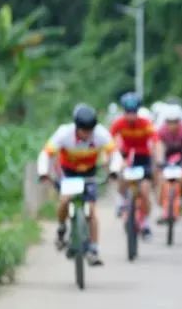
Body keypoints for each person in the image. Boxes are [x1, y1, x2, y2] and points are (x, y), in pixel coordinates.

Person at [37, 104, 122, 266]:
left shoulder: (101, 134)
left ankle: (94, 249)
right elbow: (45, 154)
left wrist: (114, 170)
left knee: (92, 211)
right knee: (64, 200)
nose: (87, 134)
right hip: (67, 173)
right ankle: (62, 228)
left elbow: (115, 154)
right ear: (76, 127)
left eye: (90, 130)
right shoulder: (64, 133)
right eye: (84, 130)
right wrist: (43, 172)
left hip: (89, 173)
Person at [110, 91, 156, 238]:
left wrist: (157, 156)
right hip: (125, 157)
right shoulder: (118, 124)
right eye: (128, 112)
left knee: (145, 191)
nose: (131, 115)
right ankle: (121, 200)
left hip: (143, 158)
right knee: (121, 174)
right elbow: (109, 142)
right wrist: (112, 159)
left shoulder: (145, 123)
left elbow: (155, 141)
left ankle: (146, 223)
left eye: (133, 112)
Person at [153, 104, 182, 222]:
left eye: (175, 122)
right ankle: (163, 206)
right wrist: (160, 161)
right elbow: (159, 147)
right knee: (161, 179)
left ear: (179, 121)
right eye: (170, 122)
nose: (172, 125)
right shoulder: (161, 131)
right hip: (167, 157)